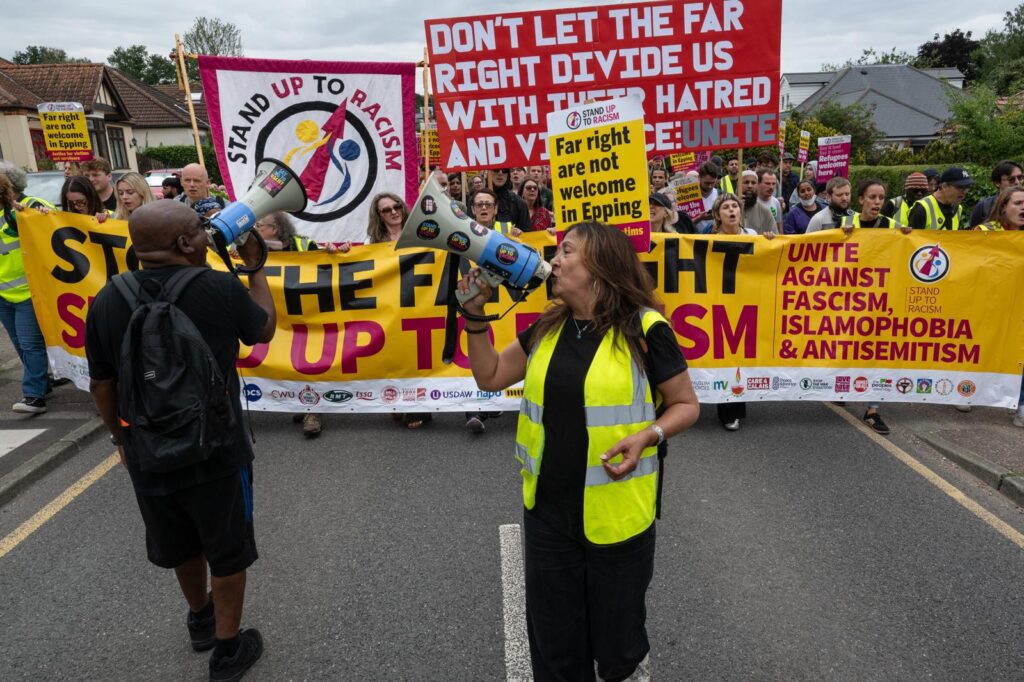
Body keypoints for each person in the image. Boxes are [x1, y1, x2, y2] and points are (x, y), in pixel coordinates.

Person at [458, 221, 700, 681]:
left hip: (618, 518)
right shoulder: (547, 327)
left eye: (567, 251)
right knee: (554, 644)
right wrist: (473, 317)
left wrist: (649, 435)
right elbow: (489, 376)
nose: (555, 260)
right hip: (548, 514)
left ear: (600, 266)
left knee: (617, 645)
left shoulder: (645, 328)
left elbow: (686, 405)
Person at [85, 200, 273, 681]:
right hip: (218, 446)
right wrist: (255, 271)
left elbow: (102, 384)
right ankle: (229, 651)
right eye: (198, 230)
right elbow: (263, 330)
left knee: (180, 540)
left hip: (147, 449)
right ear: (184, 243)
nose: (207, 234)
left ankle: (200, 619)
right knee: (227, 546)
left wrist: (120, 439)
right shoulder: (217, 286)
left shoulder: (107, 299)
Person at [710, 193, 774, 430]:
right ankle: (728, 411)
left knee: (742, 355)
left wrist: (769, 241)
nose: (731, 210)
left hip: (749, 303)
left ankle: (737, 403)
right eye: (725, 207)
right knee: (725, 355)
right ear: (718, 215)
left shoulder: (753, 237)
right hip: (722, 304)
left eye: (734, 206)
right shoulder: (706, 240)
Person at [0, 175, 51, 414]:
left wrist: (36, 214)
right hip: (3, 296)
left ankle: (34, 396)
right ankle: (42, 383)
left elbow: (51, 223)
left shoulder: (21, 210)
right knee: (20, 344)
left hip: (27, 293)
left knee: (30, 344)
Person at [907, 167, 974, 231]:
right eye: (960, 187)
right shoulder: (922, 208)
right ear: (944, 186)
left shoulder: (958, 208)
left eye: (967, 187)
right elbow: (912, 240)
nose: (964, 192)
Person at [968, 160, 1022, 228]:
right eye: (1011, 179)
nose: (1017, 182)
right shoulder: (983, 207)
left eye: (1020, 178)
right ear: (997, 183)